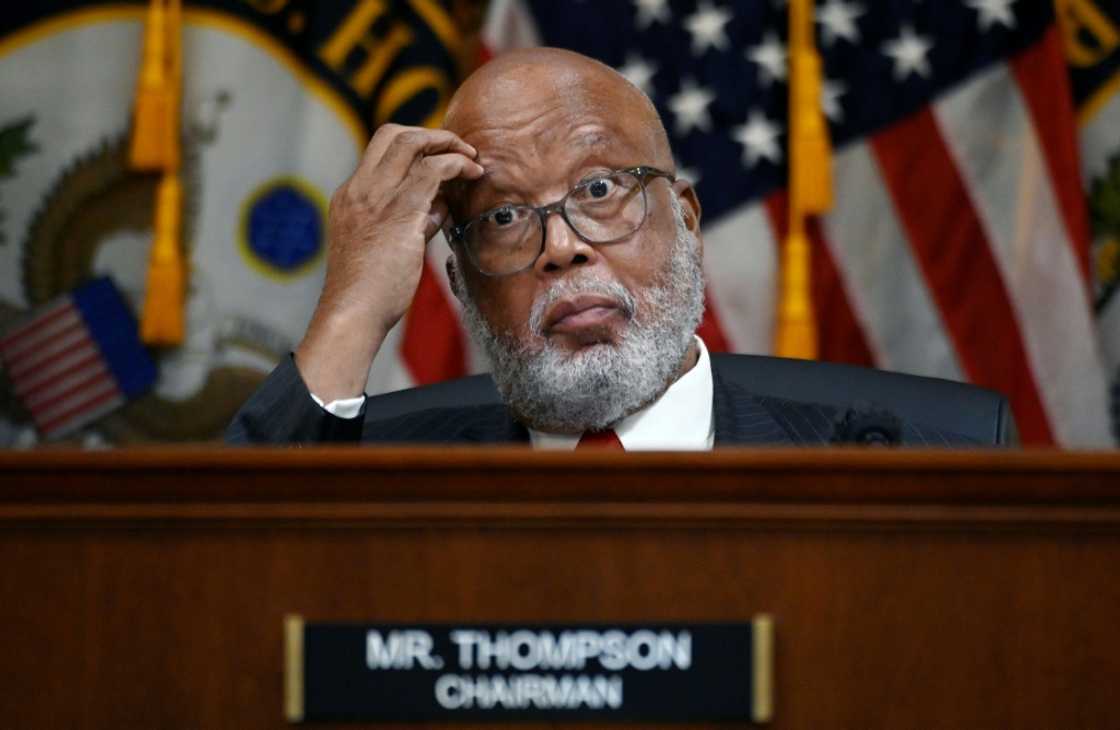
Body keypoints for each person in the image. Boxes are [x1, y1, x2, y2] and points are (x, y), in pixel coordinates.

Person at [226, 48, 971, 449]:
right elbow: (225, 584)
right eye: (505, 217)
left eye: (599, 190)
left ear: (686, 220)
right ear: (461, 283)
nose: (561, 248)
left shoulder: (913, 458)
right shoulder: (382, 475)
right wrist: (352, 308)